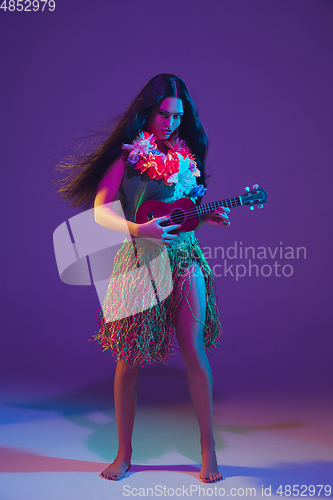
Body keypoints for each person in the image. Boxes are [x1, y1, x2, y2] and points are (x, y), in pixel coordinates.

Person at [55, 74, 230, 483]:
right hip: (139, 262)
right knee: (128, 361)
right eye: (164, 114)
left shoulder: (187, 158)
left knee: (194, 352)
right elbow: (101, 210)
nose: (170, 122)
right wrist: (138, 230)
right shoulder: (127, 157)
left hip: (185, 258)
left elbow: (179, 218)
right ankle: (124, 452)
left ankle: (208, 449)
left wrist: (206, 217)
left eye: (178, 116)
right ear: (148, 111)